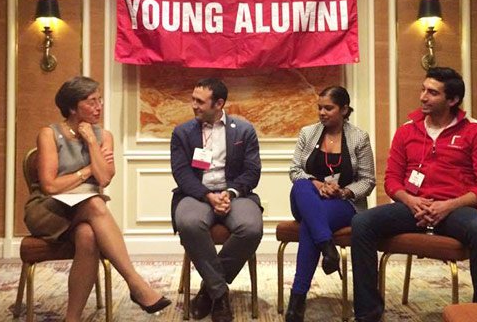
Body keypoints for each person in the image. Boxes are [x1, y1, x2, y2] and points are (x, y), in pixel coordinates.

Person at [351, 67, 477, 322]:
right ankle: (368, 313)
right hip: (412, 206)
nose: (422, 97)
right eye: (423, 89)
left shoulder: (475, 132)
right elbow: (392, 180)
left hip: (455, 210)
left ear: (452, 100)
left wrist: (448, 205)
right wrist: (411, 201)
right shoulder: (407, 131)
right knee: (362, 223)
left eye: (432, 93)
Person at [24, 76, 170, 322]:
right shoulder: (49, 134)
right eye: (91, 102)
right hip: (48, 210)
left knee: (88, 235)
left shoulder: (104, 136)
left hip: (83, 213)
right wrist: (87, 170)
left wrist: (91, 141)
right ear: (72, 107)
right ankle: (135, 283)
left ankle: (72, 318)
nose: (99, 107)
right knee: (95, 203)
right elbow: (50, 186)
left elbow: (103, 180)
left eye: (99, 100)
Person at [170, 78, 263, 322]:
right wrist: (207, 196)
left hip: (234, 194)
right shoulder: (182, 132)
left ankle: (207, 290)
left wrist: (230, 193)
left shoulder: (243, 130)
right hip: (196, 195)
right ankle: (220, 294)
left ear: (219, 103)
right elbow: (181, 173)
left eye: (200, 101)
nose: (194, 105)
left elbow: (252, 172)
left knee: (251, 228)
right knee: (189, 223)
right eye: (193, 99)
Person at [286, 86, 376, 322]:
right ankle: (328, 247)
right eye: (319, 108)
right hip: (307, 198)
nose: (322, 113)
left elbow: (367, 180)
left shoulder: (359, 137)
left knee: (311, 225)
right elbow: (295, 170)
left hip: (341, 203)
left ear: (344, 109)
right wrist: (319, 185)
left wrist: (344, 191)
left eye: (329, 108)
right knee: (301, 185)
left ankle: (297, 299)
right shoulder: (308, 133)